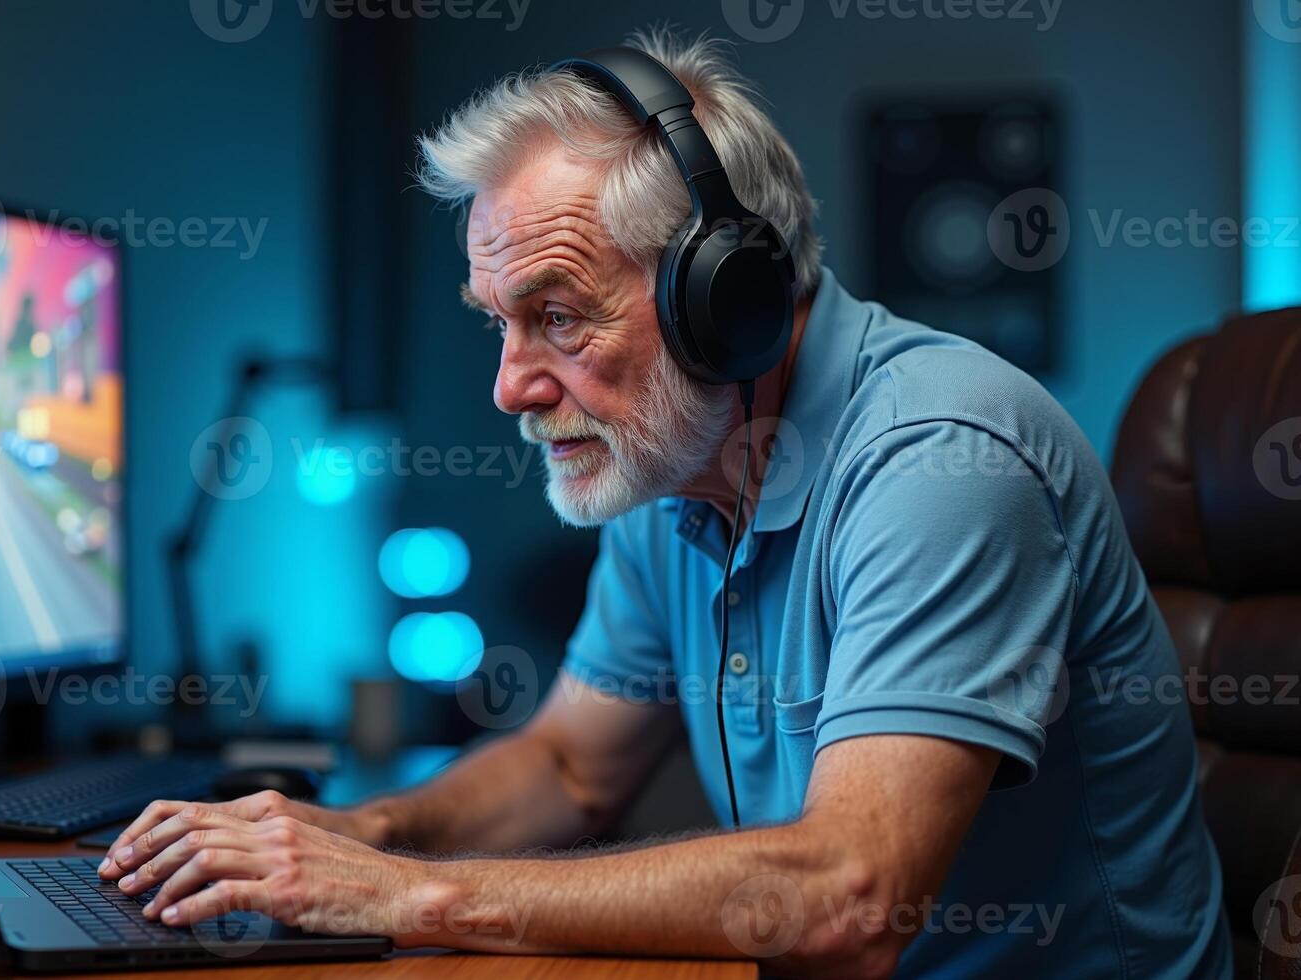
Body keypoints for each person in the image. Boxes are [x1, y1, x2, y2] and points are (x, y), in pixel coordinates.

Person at [100, 28, 1229, 977]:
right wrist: (351, 834)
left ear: (726, 298)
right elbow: (568, 768)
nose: (510, 384)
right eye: (497, 319)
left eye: (557, 313)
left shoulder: (942, 456)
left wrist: (412, 891)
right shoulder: (674, 456)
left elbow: (852, 896)